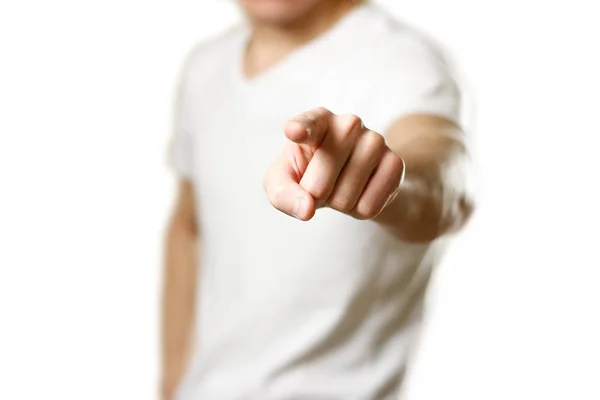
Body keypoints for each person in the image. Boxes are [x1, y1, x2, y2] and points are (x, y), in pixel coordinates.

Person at [161, 0, 475, 399]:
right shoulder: (204, 67)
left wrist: (385, 180)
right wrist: (173, 381)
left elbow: (448, 182)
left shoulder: (403, 63)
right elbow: (189, 225)